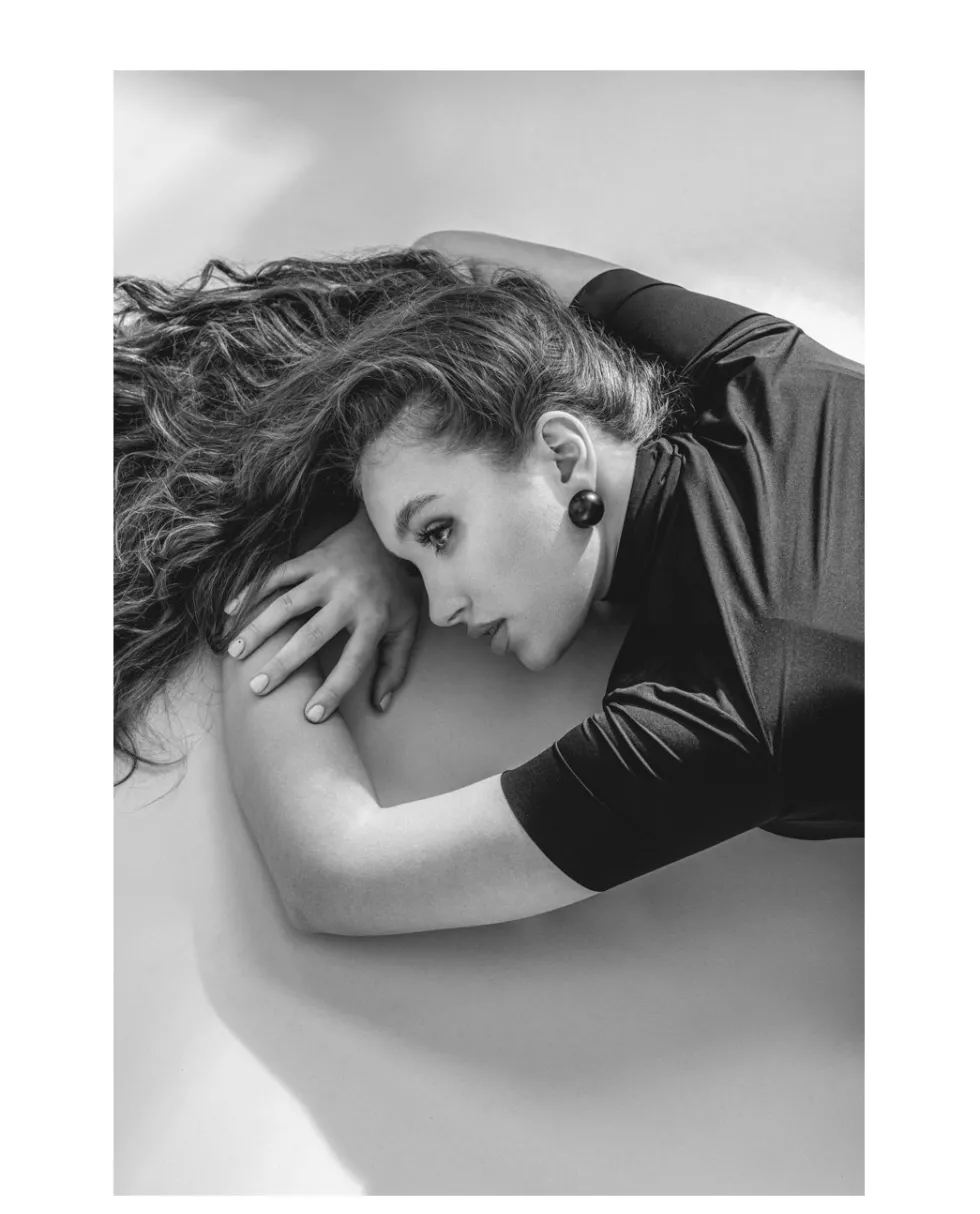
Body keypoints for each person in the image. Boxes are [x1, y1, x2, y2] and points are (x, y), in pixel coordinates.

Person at [115, 231, 862, 936]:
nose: (441, 607)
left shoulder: (723, 703)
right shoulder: (765, 367)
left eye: (441, 533)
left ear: (564, 455)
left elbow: (334, 875)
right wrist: (381, 532)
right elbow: (452, 258)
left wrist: (250, 583)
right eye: (418, 562)